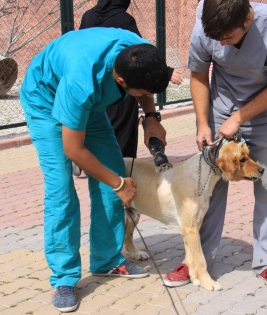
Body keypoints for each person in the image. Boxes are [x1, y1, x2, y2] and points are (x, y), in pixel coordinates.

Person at [162, 0, 267, 293]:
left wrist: (239, 118)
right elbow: (199, 75)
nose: (221, 44)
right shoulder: (205, 28)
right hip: (220, 110)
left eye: (228, 37)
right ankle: (197, 260)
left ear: (247, 21)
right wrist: (202, 123)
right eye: (216, 38)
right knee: (205, 188)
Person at [19, 28, 170, 312]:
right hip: (45, 98)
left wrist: (151, 118)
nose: (146, 95)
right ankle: (64, 277)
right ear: (121, 81)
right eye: (142, 93)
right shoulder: (82, 81)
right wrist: (118, 184)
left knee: (112, 169)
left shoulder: (140, 51)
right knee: (61, 189)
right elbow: (73, 149)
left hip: (89, 105)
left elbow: (145, 87)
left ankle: (107, 260)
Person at [79, 0, 182, 162]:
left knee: (98, 127)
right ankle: (123, 166)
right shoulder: (124, 19)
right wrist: (165, 71)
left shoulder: (88, 16)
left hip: (95, 84)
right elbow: (140, 53)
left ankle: (95, 163)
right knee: (123, 130)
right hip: (123, 81)